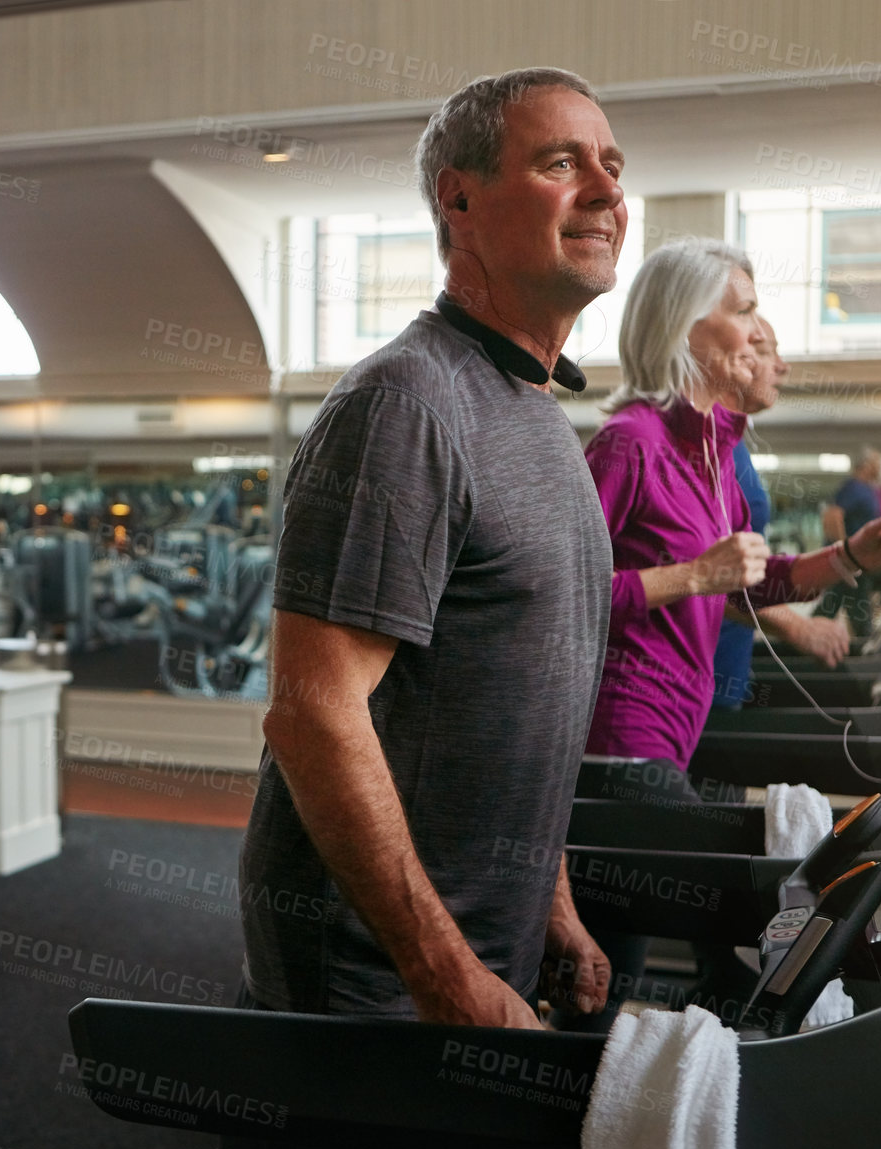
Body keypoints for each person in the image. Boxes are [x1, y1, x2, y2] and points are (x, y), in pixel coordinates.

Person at [237, 67, 620, 1057]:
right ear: (458, 197)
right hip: (375, 980)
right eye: (560, 163)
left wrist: (552, 898)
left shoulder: (533, 411)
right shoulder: (405, 406)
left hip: (480, 945)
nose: (606, 193)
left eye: (611, 168)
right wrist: (441, 973)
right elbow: (312, 711)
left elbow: (517, 705)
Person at [583, 239, 881, 772]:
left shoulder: (715, 454)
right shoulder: (631, 441)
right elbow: (568, 595)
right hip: (625, 723)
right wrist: (694, 575)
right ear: (682, 325)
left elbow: (749, 587)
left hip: (684, 722)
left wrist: (850, 557)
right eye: (744, 312)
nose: (760, 334)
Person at [710, 318, 850, 713]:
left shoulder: (732, 443)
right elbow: (700, 573)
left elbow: (742, 571)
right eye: (768, 350)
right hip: (694, 684)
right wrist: (796, 626)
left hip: (726, 672)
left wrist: (851, 557)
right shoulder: (706, 447)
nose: (783, 366)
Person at [817, 448, 881, 634]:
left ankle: (807, 638)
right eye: (877, 463)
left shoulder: (867, 489)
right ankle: (867, 647)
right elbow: (833, 516)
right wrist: (845, 551)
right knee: (851, 604)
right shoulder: (854, 487)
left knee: (841, 602)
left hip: (859, 559)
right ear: (865, 465)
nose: (880, 467)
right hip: (851, 559)